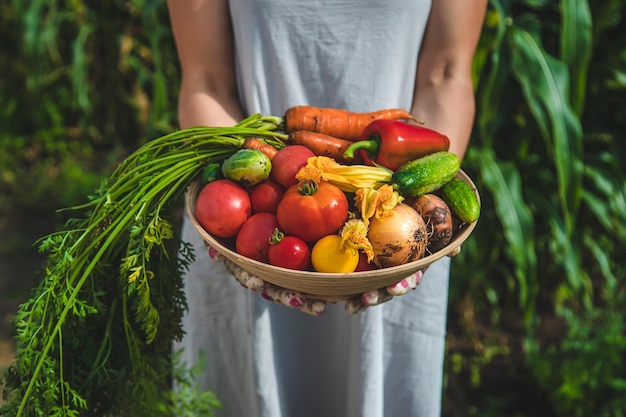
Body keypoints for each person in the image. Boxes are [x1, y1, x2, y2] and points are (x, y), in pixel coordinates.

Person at [167, 1, 487, 416]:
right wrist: (232, 216)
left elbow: (447, 73)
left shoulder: (412, 221)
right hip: (248, 224)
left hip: (395, 231)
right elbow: (205, 79)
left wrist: (430, 208)